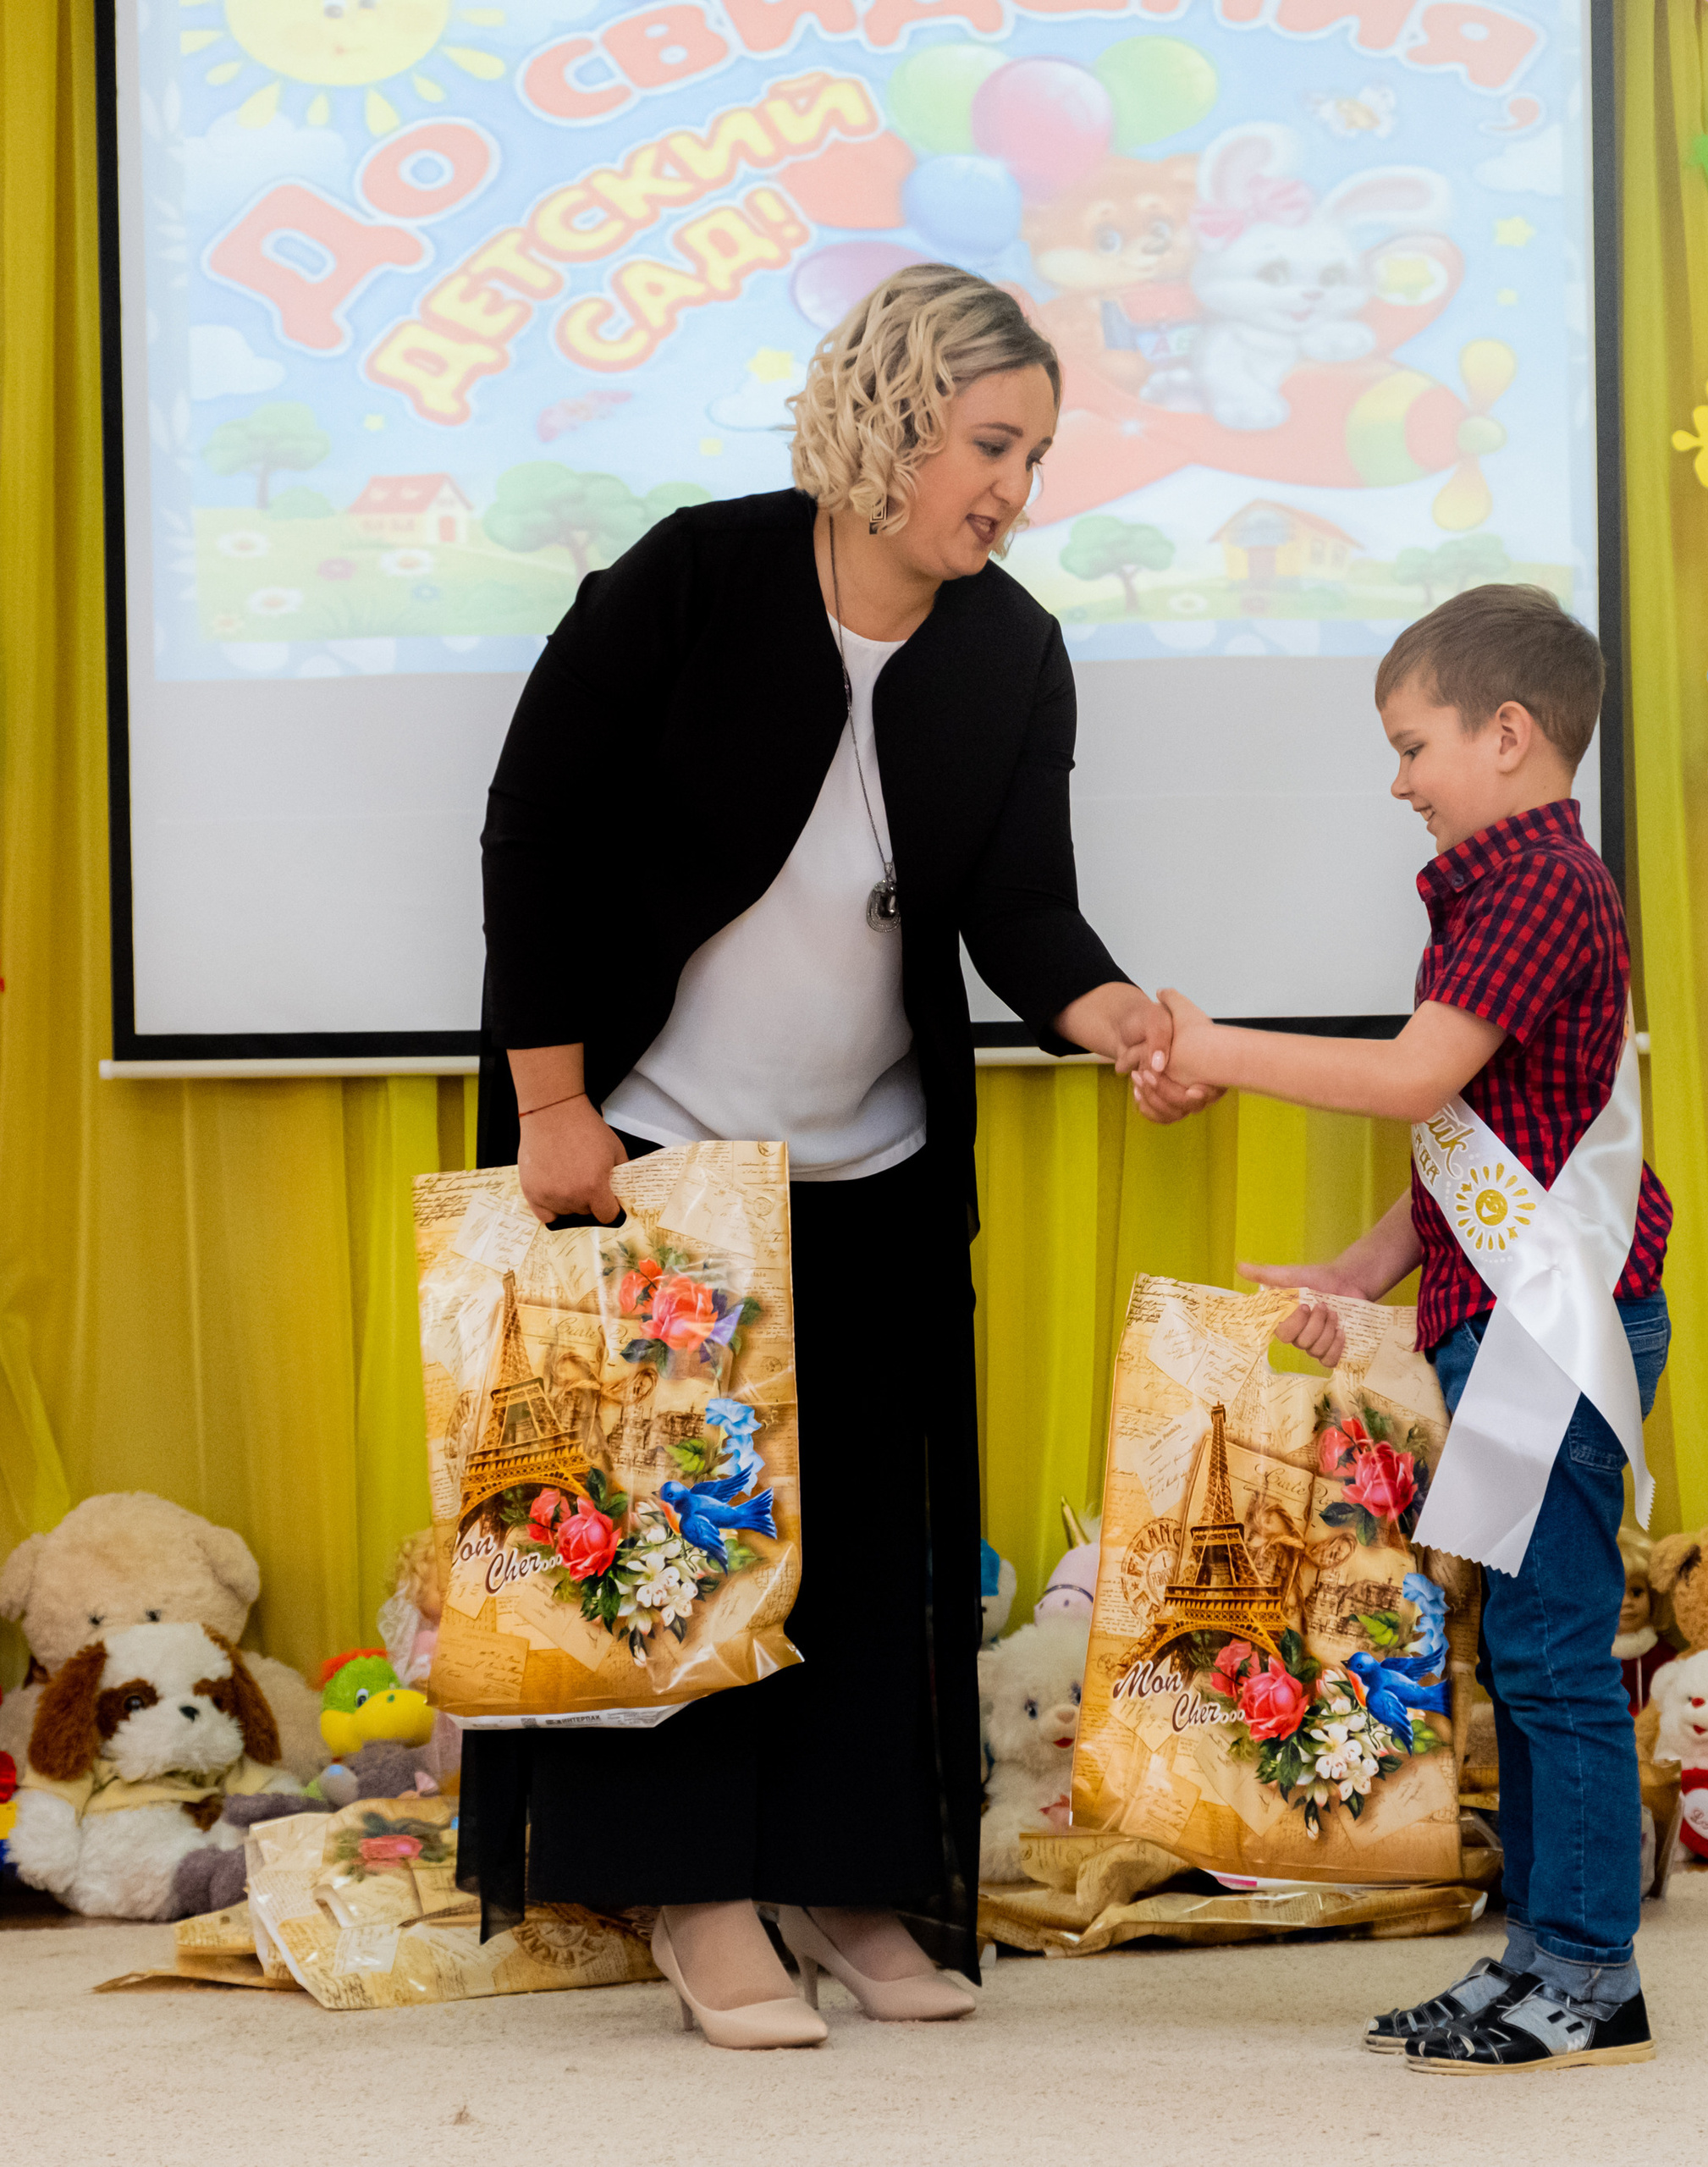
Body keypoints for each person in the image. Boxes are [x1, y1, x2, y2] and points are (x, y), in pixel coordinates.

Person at [468, 265, 1208, 2050]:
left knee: (871, 1552)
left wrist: (1110, 1013)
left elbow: (1021, 903)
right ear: (887, 417)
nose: (1012, 488)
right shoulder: (693, 574)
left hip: (874, 1158)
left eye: (1031, 454)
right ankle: (696, 1893)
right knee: (668, 1530)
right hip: (648, 1143)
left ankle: (848, 1872)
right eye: (989, 443)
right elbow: (536, 832)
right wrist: (552, 1109)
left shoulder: (1010, 646)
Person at [1154, 582, 1672, 2074]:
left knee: (1555, 1655)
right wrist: (1352, 1278)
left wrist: (1206, 1045)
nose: (1398, 781)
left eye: (1412, 743)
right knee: (1525, 1646)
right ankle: (1538, 1954)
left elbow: (1405, 1082)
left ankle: (1590, 1972)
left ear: (1508, 735)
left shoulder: (1532, 888)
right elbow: (1466, 1137)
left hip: (1546, 1333)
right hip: (1508, 1315)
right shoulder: (1508, 884)